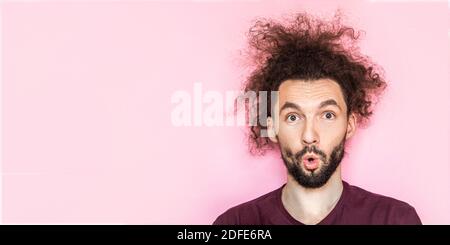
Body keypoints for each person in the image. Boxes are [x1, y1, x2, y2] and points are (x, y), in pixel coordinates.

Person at [213, 12, 421, 225]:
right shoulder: (235, 224)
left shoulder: (394, 219)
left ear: (349, 125)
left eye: (327, 115)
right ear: (272, 128)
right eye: (293, 117)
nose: (309, 136)